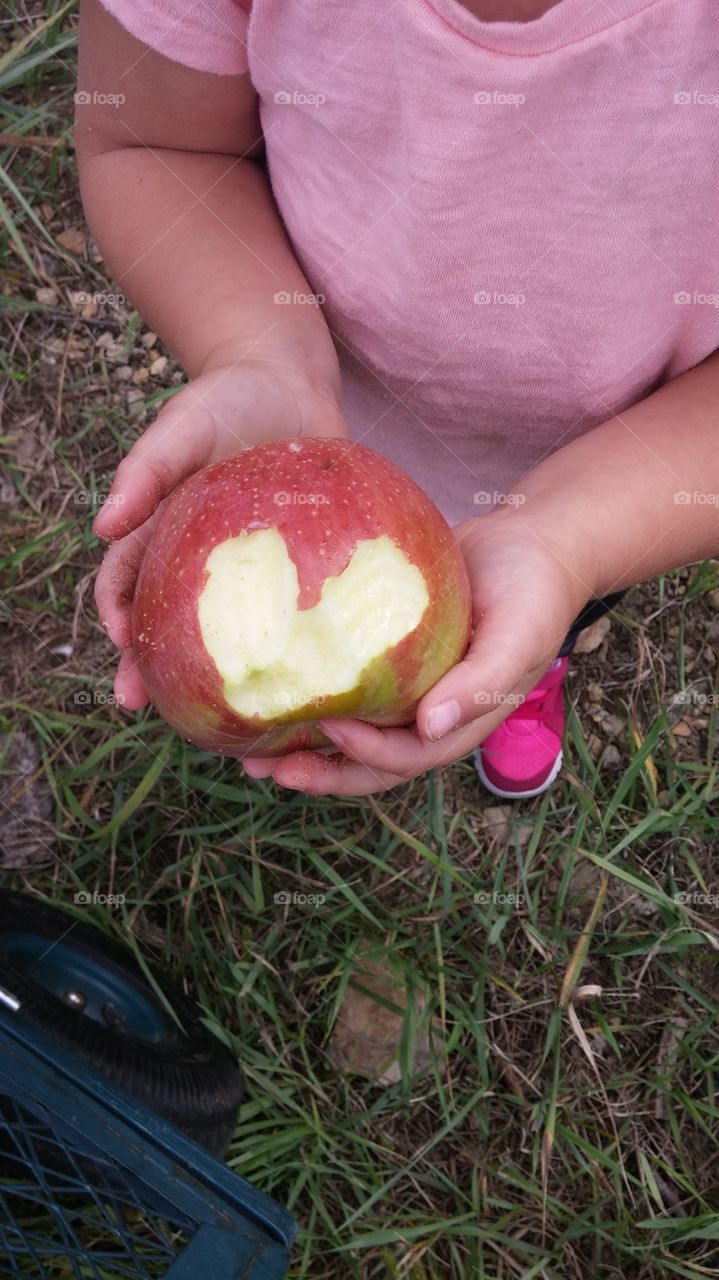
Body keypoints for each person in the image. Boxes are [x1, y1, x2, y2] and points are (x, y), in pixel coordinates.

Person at [76, 0, 719, 799]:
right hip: (314, 439)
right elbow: (158, 144)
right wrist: (264, 354)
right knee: (512, 596)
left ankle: (528, 663)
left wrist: (566, 542)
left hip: (625, 472)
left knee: (539, 604)